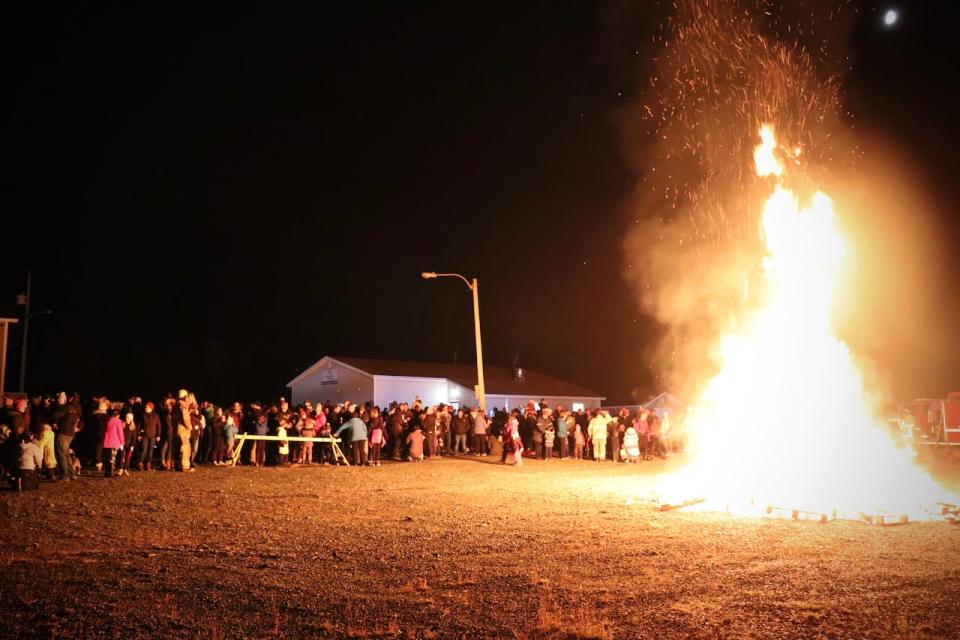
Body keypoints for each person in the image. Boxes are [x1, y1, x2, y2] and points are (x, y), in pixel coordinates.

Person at [52, 392, 82, 481]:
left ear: (72, 398)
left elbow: (56, 414)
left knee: (62, 454)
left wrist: (55, 422)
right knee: (67, 454)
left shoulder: (67, 407)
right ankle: (72, 474)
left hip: (63, 432)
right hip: (71, 434)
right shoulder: (78, 409)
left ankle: (65, 475)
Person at [102, 410, 124, 478]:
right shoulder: (118, 422)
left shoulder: (107, 421)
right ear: (117, 415)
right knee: (112, 458)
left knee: (107, 458)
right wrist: (122, 442)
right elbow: (120, 433)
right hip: (114, 442)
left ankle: (106, 472)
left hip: (106, 442)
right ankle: (111, 473)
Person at [139, 401, 160, 470]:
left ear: (151, 408)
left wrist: (158, 435)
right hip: (145, 435)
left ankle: (148, 464)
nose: (146, 408)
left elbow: (158, 426)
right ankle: (140, 463)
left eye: (147, 407)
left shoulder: (155, 415)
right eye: (145, 407)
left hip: (153, 436)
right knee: (144, 450)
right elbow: (139, 426)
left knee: (151, 451)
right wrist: (139, 434)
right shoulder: (143, 415)